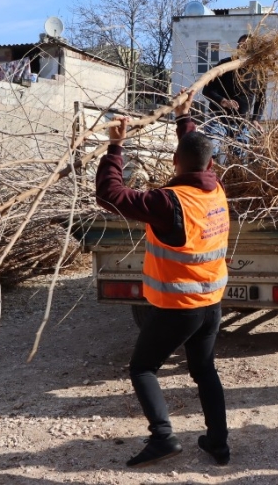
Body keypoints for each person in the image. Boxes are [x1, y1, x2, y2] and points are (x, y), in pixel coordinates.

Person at [95, 88, 232, 468]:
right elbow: (195, 151)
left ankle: (163, 437)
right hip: (211, 303)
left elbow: (110, 195)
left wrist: (115, 148)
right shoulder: (216, 189)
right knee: (204, 371)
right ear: (210, 164)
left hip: (179, 306)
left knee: (143, 368)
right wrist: (184, 118)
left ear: (174, 162)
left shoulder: (167, 202)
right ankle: (218, 444)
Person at [202, 35, 266, 157]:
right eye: (239, 45)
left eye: (246, 45)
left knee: (240, 158)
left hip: (241, 123)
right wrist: (223, 101)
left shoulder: (259, 71)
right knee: (210, 152)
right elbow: (207, 90)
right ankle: (207, 175)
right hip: (218, 119)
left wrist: (256, 119)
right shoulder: (224, 65)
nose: (241, 47)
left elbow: (261, 98)